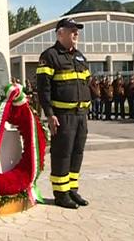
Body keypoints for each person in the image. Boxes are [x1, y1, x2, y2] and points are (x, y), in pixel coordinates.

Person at [36, 18, 91, 209]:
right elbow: (44, 90)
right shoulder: (50, 56)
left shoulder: (80, 57)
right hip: (62, 116)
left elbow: (85, 84)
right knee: (62, 154)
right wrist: (50, 114)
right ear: (60, 33)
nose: (76, 34)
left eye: (77, 31)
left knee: (77, 153)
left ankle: (72, 190)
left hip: (80, 115)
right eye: (72, 30)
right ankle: (60, 194)